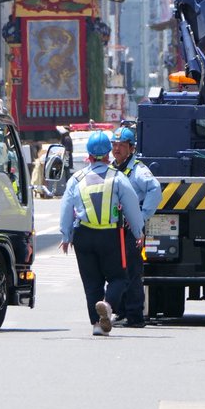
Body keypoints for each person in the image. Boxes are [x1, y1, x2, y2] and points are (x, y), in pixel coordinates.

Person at [58, 130, 144, 335]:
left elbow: (65, 208)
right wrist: (138, 231)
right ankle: (108, 304)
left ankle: (97, 325)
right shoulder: (118, 178)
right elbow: (132, 206)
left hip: (83, 236)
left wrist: (65, 236)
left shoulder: (76, 179)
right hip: (110, 237)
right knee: (119, 278)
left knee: (91, 282)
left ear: (88, 155)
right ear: (108, 154)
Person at [109, 126, 161, 328]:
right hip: (113, 229)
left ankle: (135, 315)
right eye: (114, 145)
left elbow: (155, 189)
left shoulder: (138, 170)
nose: (117, 149)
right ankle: (120, 311)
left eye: (122, 145)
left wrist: (141, 216)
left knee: (131, 272)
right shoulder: (113, 168)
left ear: (131, 148)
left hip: (130, 231)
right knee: (115, 271)